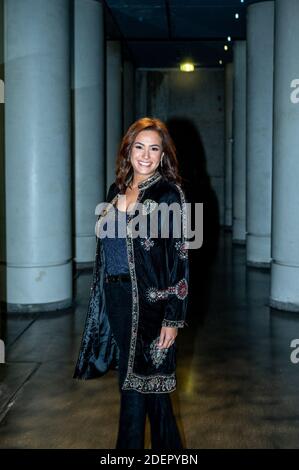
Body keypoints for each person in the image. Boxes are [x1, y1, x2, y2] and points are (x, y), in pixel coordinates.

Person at [73, 116, 189, 449]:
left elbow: (179, 257)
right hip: (115, 296)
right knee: (149, 385)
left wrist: (173, 317)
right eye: (139, 146)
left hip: (150, 302)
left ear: (163, 155)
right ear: (128, 149)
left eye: (155, 148)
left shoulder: (169, 194)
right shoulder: (117, 190)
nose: (146, 155)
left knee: (133, 382)